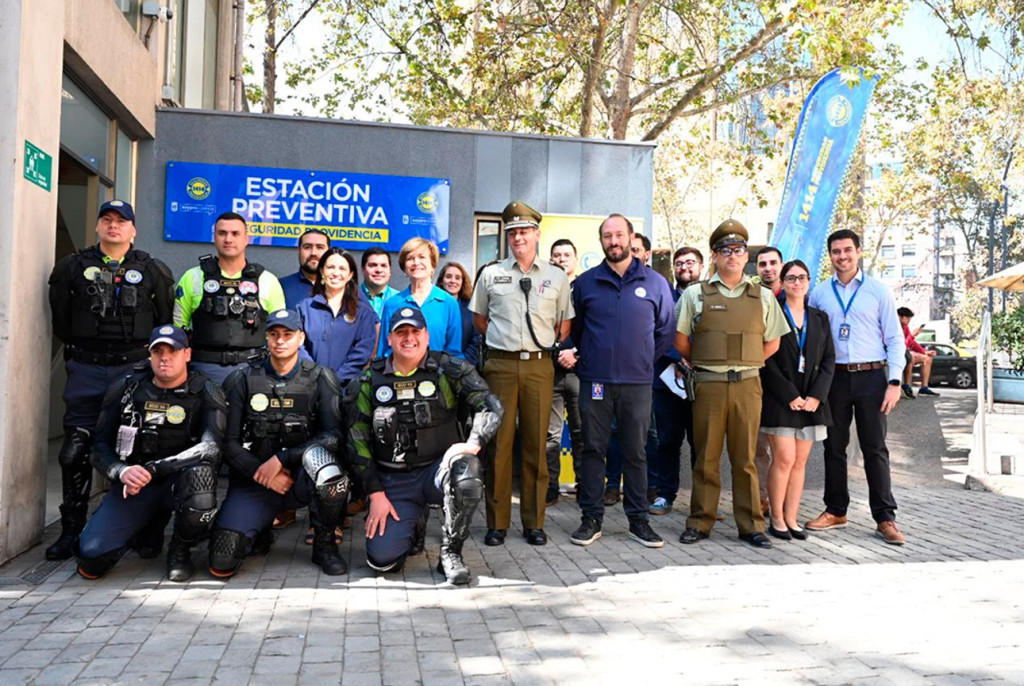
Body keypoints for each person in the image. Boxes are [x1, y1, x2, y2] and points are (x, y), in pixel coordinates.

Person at [47, 199, 175, 560]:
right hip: (87, 369)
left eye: (122, 221)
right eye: (107, 219)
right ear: (99, 226)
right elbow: (60, 319)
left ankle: (147, 530)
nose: (114, 226)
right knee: (74, 452)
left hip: (134, 369)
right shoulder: (72, 267)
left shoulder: (154, 270)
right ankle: (71, 529)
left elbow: (166, 322)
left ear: (133, 229)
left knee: (148, 445)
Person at [346, 306, 503, 584]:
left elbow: (489, 404)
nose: (409, 338)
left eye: (415, 331)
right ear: (390, 340)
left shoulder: (448, 369)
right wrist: (375, 494)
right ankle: (413, 523)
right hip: (393, 478)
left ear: (427, 336)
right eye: (401, 332)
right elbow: (356, 436)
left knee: (467, 474)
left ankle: (451, 552)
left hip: (437, 470)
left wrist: (473, 443)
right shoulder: (370, 380)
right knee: (382, 561)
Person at [76, 325, 226, 581]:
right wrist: (120, 471)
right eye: (158, 351)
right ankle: (145, 527)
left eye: (173, 351)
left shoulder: (206, 390)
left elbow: (211, 448)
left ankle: (180, 550)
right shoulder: (125, 388)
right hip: (136, 484)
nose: (164, 357)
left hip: (180, 481)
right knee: (91, 558)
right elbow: (99, 446)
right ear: (150, 355)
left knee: (201, 478)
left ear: (187, 354)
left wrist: (157, 468)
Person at [209, 309, 350, 577]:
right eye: (274, 334)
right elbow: (228, 443)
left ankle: (325, 544)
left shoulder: (321, 377)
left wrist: (283, 460)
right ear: (266, 338)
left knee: (330, 472)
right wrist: (259, 473)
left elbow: (333, 436)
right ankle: (259, 531)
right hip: (255, 477)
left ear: (301, 338)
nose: (280, 341)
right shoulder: (242, 379)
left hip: (301, 476)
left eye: (288, 335)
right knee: (221, 561)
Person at [675, 220, 789, 549]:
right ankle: (700, 522)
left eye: (739, 250)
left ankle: (751, 526)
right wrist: (708, 363)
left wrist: (747, 363)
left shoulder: (763, 296)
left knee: (746, 460)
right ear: (714, 256)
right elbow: (681, 340)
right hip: (709, 386)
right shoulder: (696, 294)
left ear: (745, 255)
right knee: (706, 458)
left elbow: (773, 344)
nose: (733, 256)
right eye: (726, 250)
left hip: (748, 386)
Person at [469, 201, 573, 547]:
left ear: (537, 234)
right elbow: (480, 320)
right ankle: (497, 522)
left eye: (524, 231)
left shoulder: (555, 276)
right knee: (499, 445)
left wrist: (542, 348)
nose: (518, 238)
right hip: (499, 365)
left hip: (540, 366)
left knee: (536, 443)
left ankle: (534, 522)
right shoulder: (491, 274)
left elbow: (564, 322)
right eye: (512, 232)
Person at [570, 215, 675, 548]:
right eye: (607, 236)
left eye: (619, 235)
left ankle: (638, 521)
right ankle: (591, 518)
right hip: (596, 382)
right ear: (601, 241)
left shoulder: (655, 283)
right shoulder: (586, 283)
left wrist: (642, 361)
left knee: (636, 453)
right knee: (592, 450)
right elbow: (577, 331)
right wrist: (590, 360)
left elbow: (666, 331)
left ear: (631, 237)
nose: (613, 241)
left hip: (637, 383)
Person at [807, 229, 908, 545]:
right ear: (830, 255)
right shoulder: (820, 294)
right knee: (833, 447)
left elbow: (894, 339)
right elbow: (813, 341)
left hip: (872, 378)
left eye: (847, 250)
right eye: (836, 251)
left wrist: (894, 382)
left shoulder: (879, 291)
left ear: (859, 252)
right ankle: (836, 510)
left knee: (874, 448)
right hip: (833, 379)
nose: (842, 256)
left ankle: (885, 518)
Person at [759, 261, 835, 541]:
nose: (797, 283)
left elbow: (829, 360)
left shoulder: (820, 318)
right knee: (784, 459)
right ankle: (776, 518)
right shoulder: (773, 313)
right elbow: (766, 361)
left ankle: (792, 517)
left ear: (808, 281)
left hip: (812, 402)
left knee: (800, 462)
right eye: (791, 278)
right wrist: (790, 395)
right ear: (783, 281)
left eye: (802, 277)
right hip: (782, 400)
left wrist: (816, 396)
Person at [173, 212, 286, 385]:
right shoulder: (193, 277)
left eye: (235, 233)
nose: (228, 239)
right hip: (203, 370)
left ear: (247, 238)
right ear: (214, 237)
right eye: (222, 233)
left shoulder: (267, 280)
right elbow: (179, 330)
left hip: (253, 370)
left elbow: (280, 332)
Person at [649, 247, 703, 516]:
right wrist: (678, 359)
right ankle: (665, 494)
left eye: (690, 262)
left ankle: (702, 499)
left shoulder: (711, 296)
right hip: (667, 382)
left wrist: (695, 360)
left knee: (701, 443)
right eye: (679, 263)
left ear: (701, 266)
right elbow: (654, 331)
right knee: (667, 442)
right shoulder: (663, 295)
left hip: (703, 383)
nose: (684, 267)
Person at [297, 248, 379, 383]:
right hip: (310, 385)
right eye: (330, 267)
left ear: (350, 275)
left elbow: (363, 352)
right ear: (322, 271)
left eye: (342, 269)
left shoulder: (363, 312)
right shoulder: (305, 307)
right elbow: (299, 346)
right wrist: (315, 376)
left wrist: (334, 381)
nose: (336, 273)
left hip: (348, 390)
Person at [377, 238, 462, 359]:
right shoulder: (392, 304)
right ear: (404, 268)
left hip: (437, 374)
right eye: (410, 258)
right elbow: (384, 350)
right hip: (399, 375)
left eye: (422, 257)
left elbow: (454, 351)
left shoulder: (448, 303)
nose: (416, 262)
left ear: (433, 265)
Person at [546, 239, 584, 505]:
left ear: (576, 259)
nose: (561, 259)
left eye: (566, 255)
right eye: (557, 255)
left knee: (583, 431)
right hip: (550, 370)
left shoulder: (586, 288)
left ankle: (585, 486)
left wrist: (577, 354)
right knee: (550, 435)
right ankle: (550, 487)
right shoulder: (543, 288)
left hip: (581, 371)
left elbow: (595, 327)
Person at [754, 245, 785, 517]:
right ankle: (761, 498)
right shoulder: (751, 297)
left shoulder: (796, 296)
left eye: (772, 263)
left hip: (789, 387)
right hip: (759, 382)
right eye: (762, 264)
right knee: (758, 448)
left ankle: (783, 500)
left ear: (782, 265)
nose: (768, 268)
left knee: (785, 450)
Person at [437, 261, 483, 366]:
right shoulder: (433, 305)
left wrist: (463, 364)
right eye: (448, 277)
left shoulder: (471, 308)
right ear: (441, 281)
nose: (453, 281)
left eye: (457, 278)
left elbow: (475, 340)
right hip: (435, 365)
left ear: (462, 282)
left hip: (464, 366)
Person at [279, 229, 331, 308]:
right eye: (307, 247)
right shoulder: (281, 287)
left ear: (328, 252)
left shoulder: (341, 288)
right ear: (299, 251)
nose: (313, 253)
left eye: (320, 247)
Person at [898, 307, 939, 398]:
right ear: (900, 317)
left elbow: (911, 343)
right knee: (910, 356)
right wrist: (912, 335)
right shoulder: (893, 326)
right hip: (895, 352)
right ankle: (907, 386)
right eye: (907, 318)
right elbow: (901, 346)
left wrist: (925, 351)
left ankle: (924, 387)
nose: (909, 320)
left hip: (904, 352)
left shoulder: (905, 327)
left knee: (927, 358)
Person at [360, 247, 400, 318]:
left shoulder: (400, 300)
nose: (379, 270)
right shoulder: (350, 297)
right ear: (363, 269)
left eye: (383, 266)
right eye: (373, 265)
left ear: (390, 271)